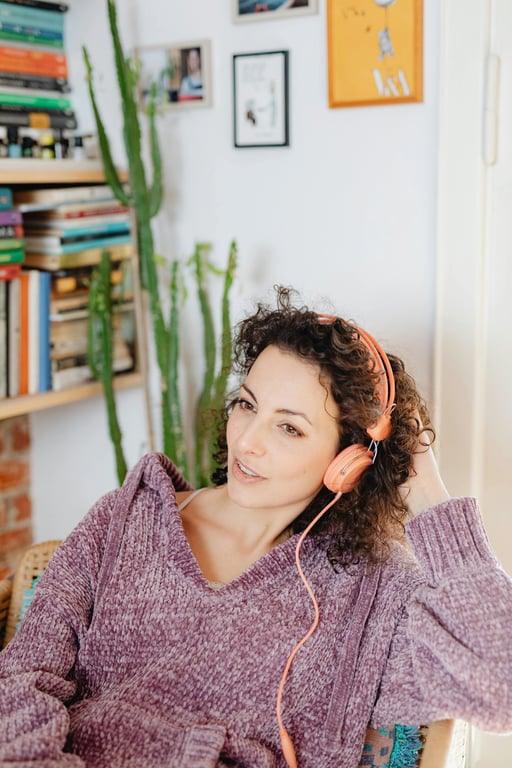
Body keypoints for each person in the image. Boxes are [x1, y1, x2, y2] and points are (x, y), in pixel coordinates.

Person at [1, 285, 511, 768]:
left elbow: (500, 684)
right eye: (247, 405)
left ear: (349, 460)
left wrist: (425, 489)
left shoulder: (371, 593)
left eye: (289, 427)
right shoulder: (127, 519)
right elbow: (23, 679)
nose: (247, 442)